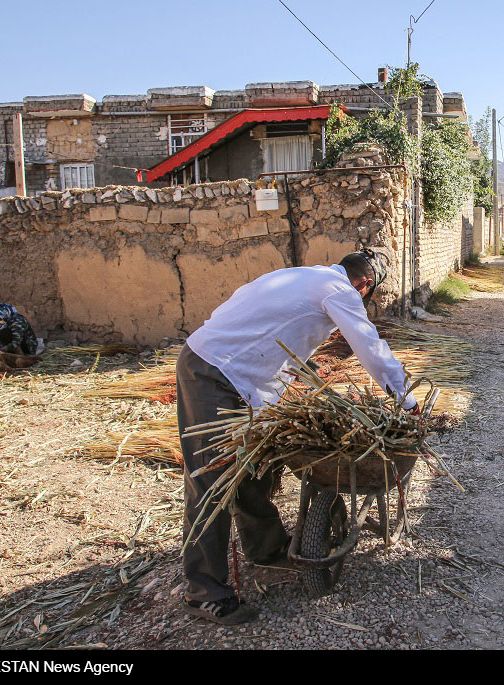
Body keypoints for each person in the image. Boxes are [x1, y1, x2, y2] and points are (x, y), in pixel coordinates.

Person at [177, 249, 419, 625]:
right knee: (212, 480)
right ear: (365, 285)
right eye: (367, 297)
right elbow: (369, 346)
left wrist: (302, 362)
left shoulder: (307, 276)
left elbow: (268, 321)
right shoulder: (339, 291)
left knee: (256, 464)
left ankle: (266, 547)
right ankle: (202, 590)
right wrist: (406, 397)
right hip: (213, 372)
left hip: (236, 375)